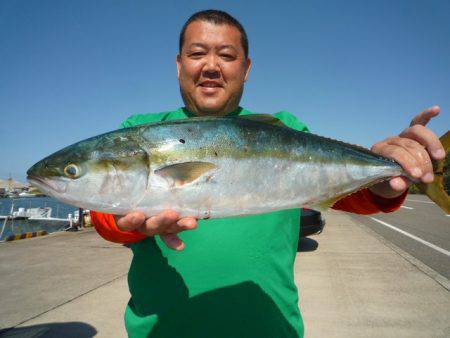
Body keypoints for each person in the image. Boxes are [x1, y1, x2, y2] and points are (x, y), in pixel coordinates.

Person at [91, 10, 445, 338]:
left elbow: (346, 196)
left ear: (245, 69)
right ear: (179, 64)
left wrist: (387, 182)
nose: (211, 66)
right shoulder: (139, 130)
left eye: (227, 56)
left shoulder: (285, 129)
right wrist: (124, 222)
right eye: (197, 53)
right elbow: (105, 211)